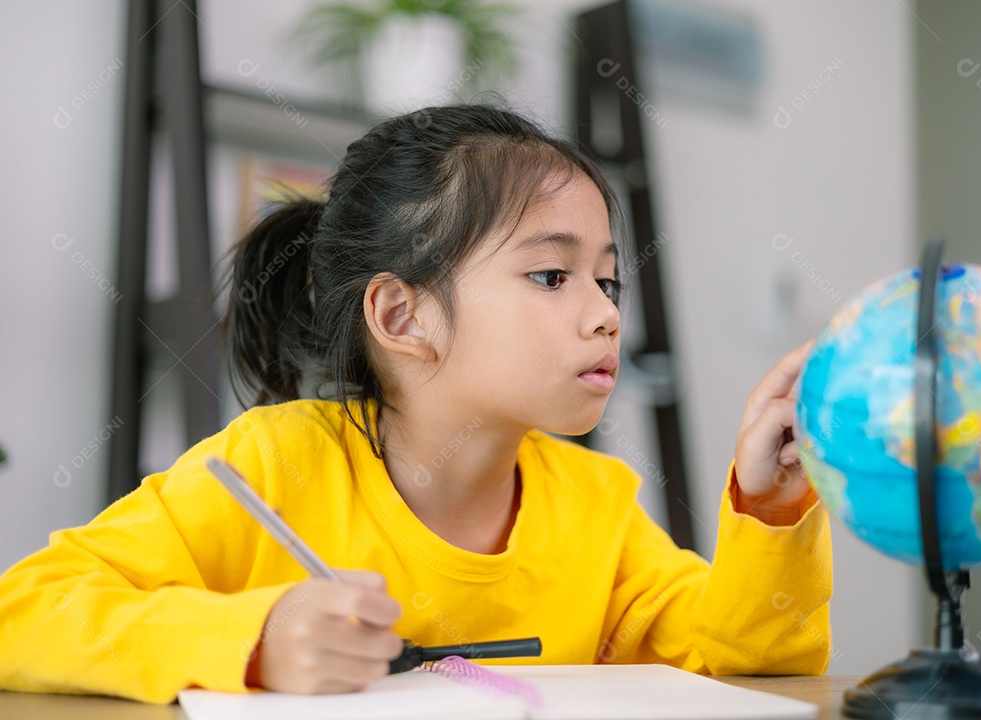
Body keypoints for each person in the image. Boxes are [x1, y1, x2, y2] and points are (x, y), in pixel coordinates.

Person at [0, 104, 831, 703]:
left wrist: (770, 503)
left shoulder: (598, 507)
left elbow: (748, 667)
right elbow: (24, 614)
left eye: (608, 278)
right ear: (403, 316)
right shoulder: (268, 465)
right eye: (551, 275)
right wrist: (256, 641)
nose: (608, 312)